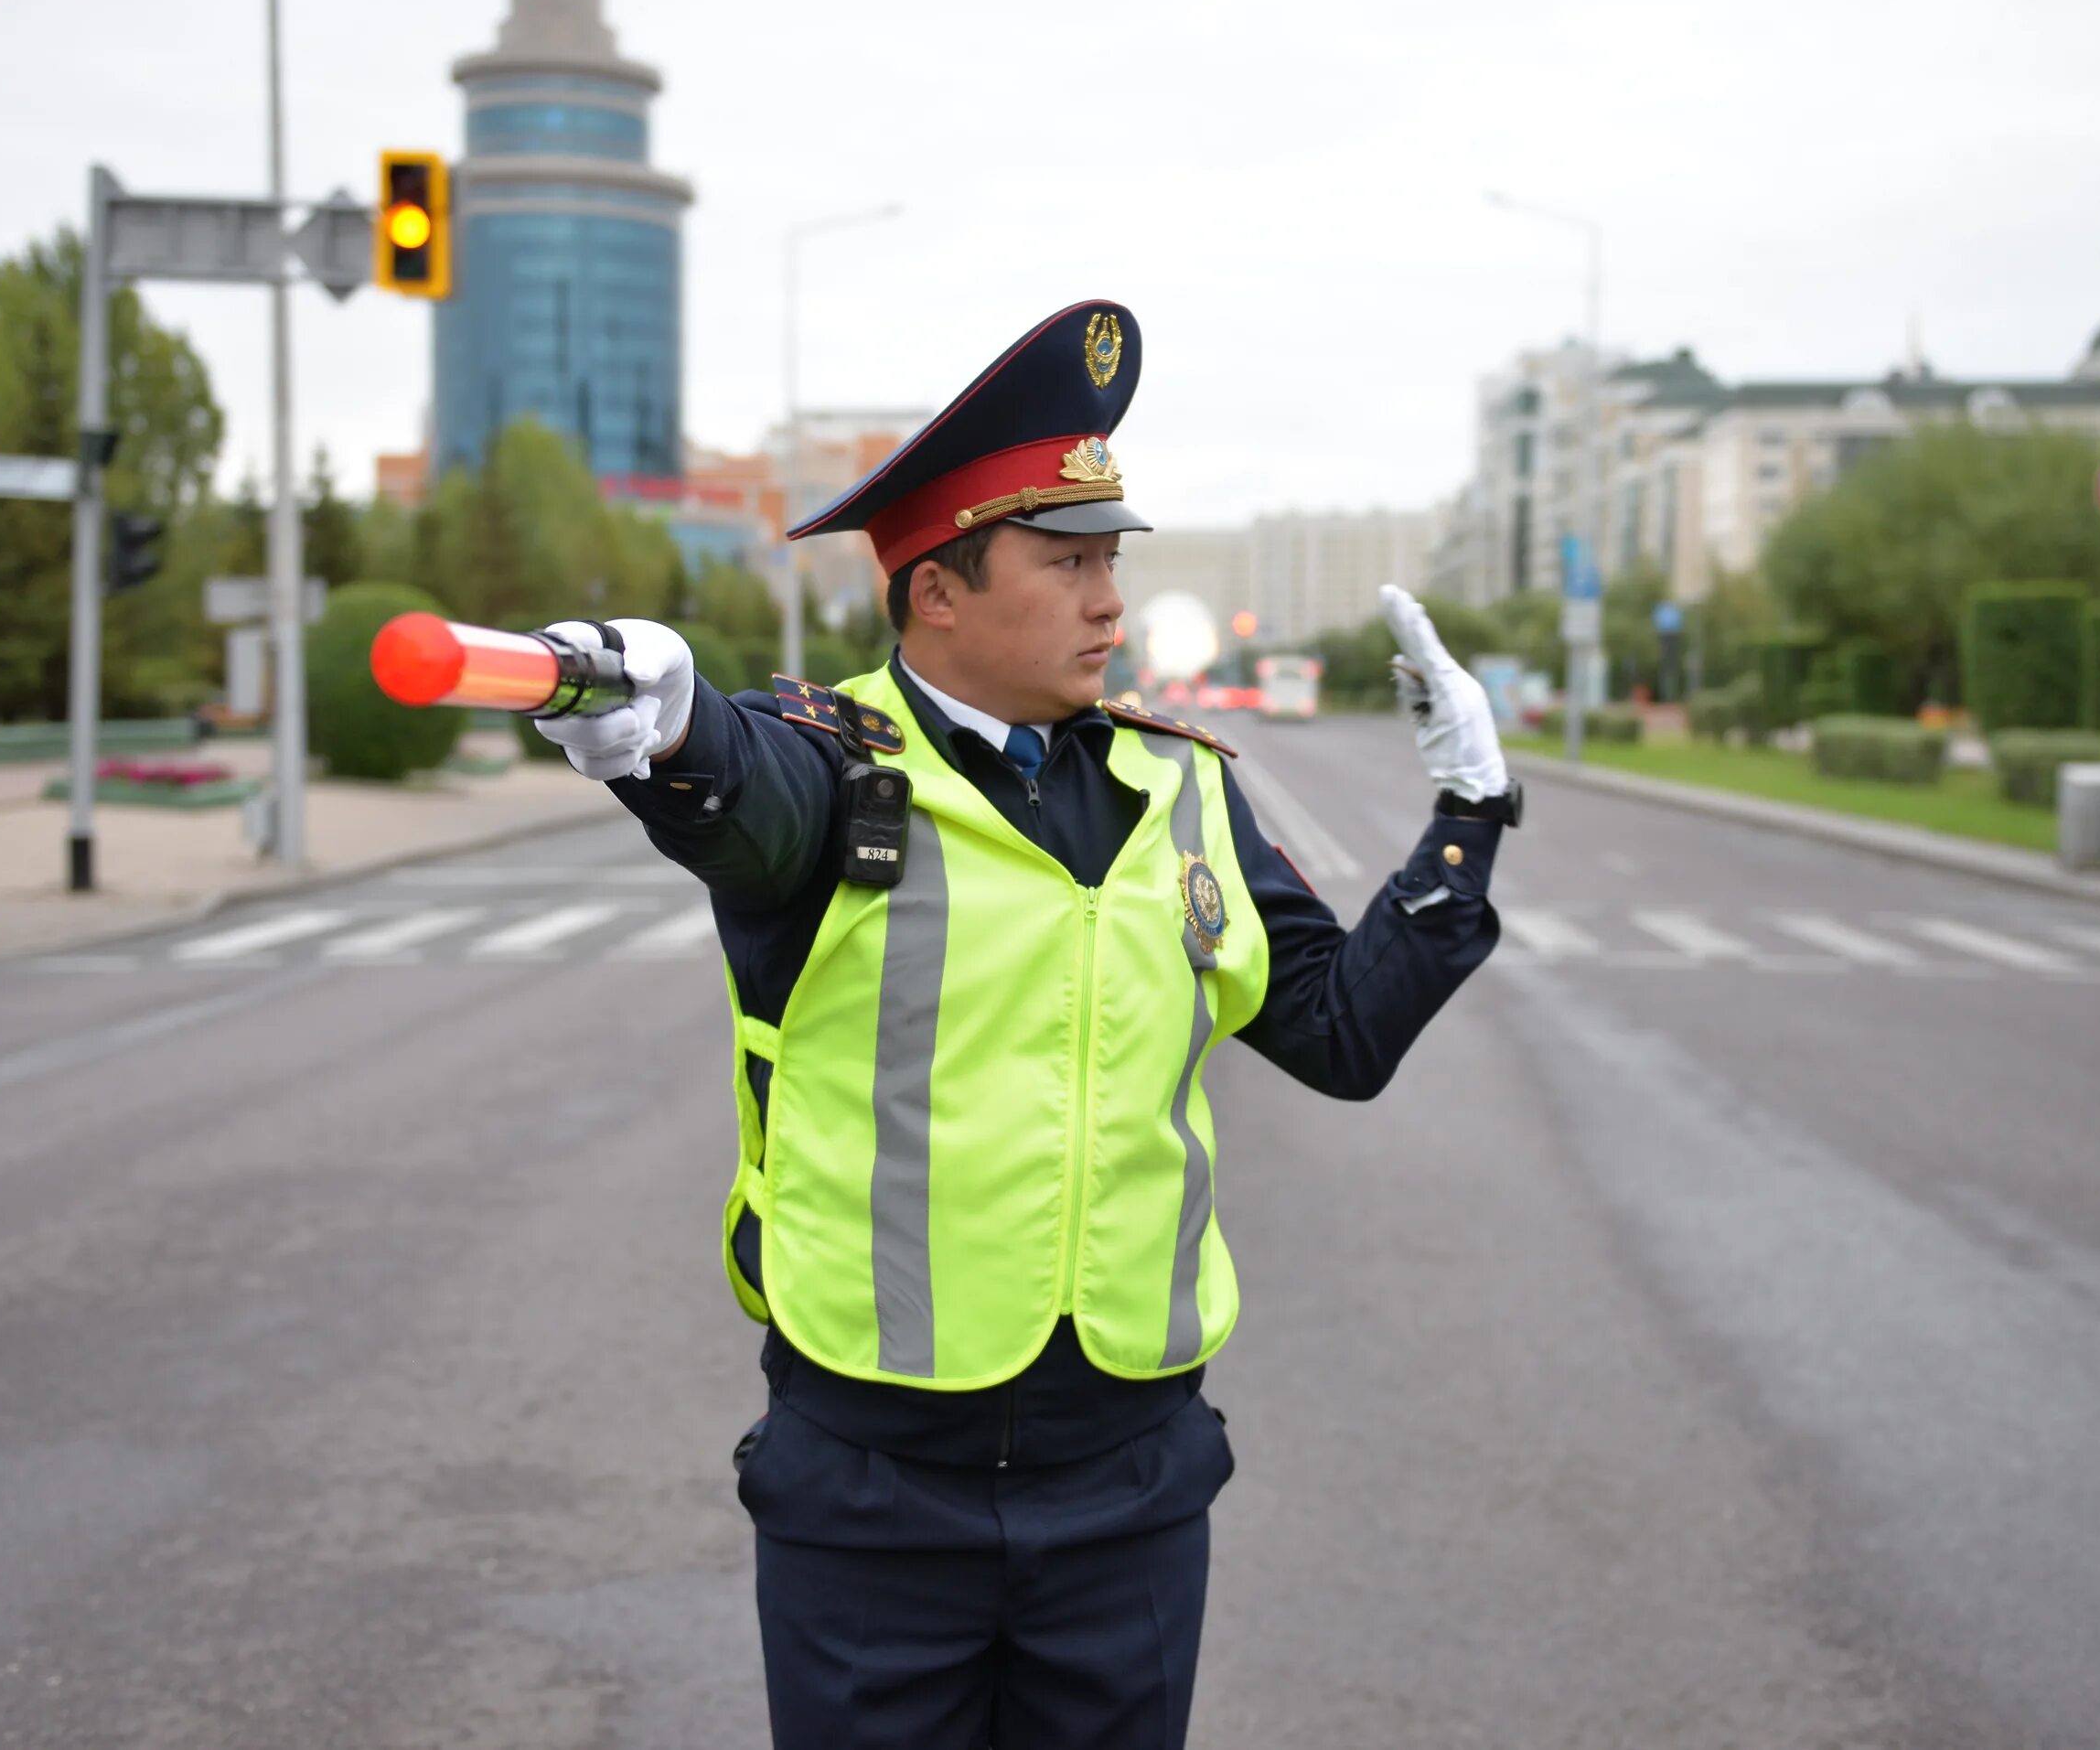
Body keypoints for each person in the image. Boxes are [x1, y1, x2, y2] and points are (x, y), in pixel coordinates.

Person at [531, 300, 1519, 1748]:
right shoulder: (832, 766)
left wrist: (1468, 821)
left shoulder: (1182, 791)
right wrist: (668, 734)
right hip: (874, 1491)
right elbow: (734, 781)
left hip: (1130, 1485)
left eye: (1110, 561)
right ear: (937, 591)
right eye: (1067, 564)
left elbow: (1338, 1036)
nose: (1109, 602)